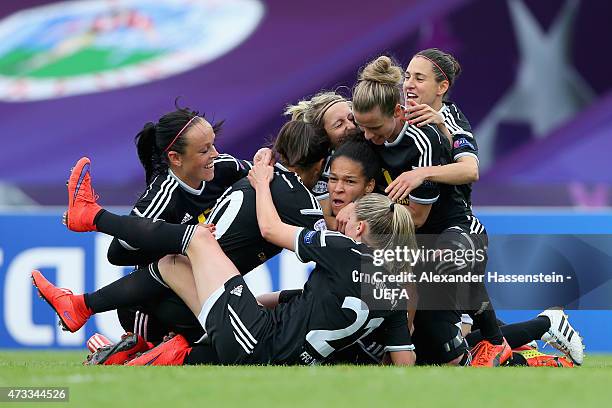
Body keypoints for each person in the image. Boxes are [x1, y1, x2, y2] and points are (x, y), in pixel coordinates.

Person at [32, 120, 329, 363]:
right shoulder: (163, 194)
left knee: (195, 251)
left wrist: (266, 157)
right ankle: (93, 221)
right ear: (176, 158)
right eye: (204, 149)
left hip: (190, 289)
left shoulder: (230, 168)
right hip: (153, 303)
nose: (215, 153)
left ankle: (105, 327)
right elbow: (117, 254)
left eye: (214, 144)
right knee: (194, 242)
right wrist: (180, 238)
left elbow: (259, 171)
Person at [125, 167, 417, 366]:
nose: (341, 221)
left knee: (191, 246)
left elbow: (270, 229)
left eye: (348, 219)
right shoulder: (396, 294)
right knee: (179, 268)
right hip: (284, 356)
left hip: (258, 345)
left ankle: (96, 222)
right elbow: (404, 362)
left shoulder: (344, 249)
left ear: (361, 227)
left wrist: (262, 183)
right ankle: (176, 347)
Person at [348, 54, 509, 366]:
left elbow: (470, 170)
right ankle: (532, 333)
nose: (409, 83)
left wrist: (423, 171)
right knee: (436, 342)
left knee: (447, 267)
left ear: (441, 87)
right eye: (407, 76)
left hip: (454, 229)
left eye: (419, 78)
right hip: (417, 238)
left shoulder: (446, 121)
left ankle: (497, 339)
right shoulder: (391, 117)